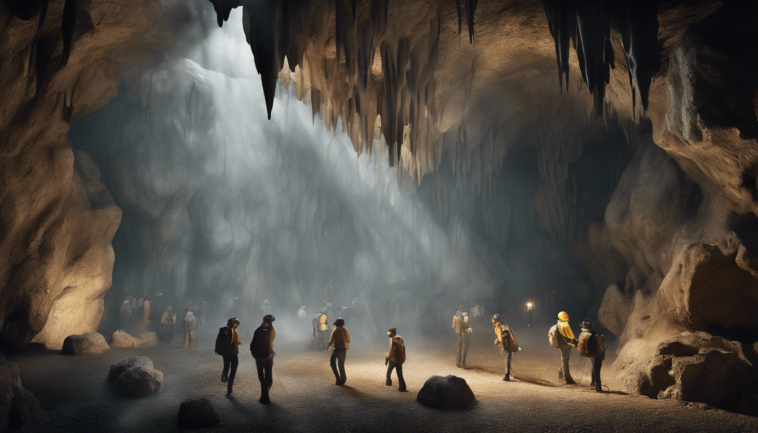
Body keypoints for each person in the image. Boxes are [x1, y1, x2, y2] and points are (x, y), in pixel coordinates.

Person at [251, 314, 276, 404]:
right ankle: (266, 395)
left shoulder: (258, 330)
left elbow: (253, 343)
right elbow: (271, 341)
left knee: (261, 376)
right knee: (268, 376)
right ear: (271, 321)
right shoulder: (271, 329)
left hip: (258, 356)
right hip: (268, 355)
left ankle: (263, 396)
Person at [578, 320, 605, 392]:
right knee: (597, 369)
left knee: (594, 367)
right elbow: (601, 347)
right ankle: (598, 387)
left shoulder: (583, 334)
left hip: (589, 353)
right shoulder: (593, 335)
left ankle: (593, 384)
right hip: (595, 353)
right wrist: (602, 352)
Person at [492, 314, 519, 381]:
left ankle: (507, 375)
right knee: (508, 358)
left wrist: (500, 341)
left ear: (495, 320)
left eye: (493, 319)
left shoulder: (499, 326)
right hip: (508, 344)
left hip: (508, 344)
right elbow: (501, 336)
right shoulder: (499, 325)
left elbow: (503, 335)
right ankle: (509, 374)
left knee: (507, 359)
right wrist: (499, 340)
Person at [553, 311, 578, 384]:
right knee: (565, 360)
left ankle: (561, 372)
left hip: (562, 344)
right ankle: (567, 378)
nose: (567, 316)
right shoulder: (564, 325)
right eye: (566, 315)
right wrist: (574, 342)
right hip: (565, 345)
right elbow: (566, 336)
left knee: (564, 359)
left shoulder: (559, 324)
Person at [326, 317, 350, 385]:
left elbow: (331, 341)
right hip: (342, 349)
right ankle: (342, 379)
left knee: (334, 363)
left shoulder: (335, 331)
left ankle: (339, 379)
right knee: (340, 365)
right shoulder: (344, 330)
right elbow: (348, 339)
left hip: (337, 349)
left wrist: (327, 347)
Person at [220, 318, 241, 396]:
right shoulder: (234, 332)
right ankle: (229, 387)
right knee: (233, 370)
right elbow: (233, 343)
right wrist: (236, 343)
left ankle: (224, 375)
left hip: (225, 353)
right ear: (234, 324)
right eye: (236, 323)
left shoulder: (224, 331)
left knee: (226, 366)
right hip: (233, 354)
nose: (237, 325)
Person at [385, 327, 406, 392]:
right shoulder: (400, 338)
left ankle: (388, 382)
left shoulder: (393, 339)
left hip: (393, 360)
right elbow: (403, 348)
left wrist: (387, 357)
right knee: (400, 374)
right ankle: (402, 387)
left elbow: (392, 350)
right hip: (399, 360)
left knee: (389, 372)